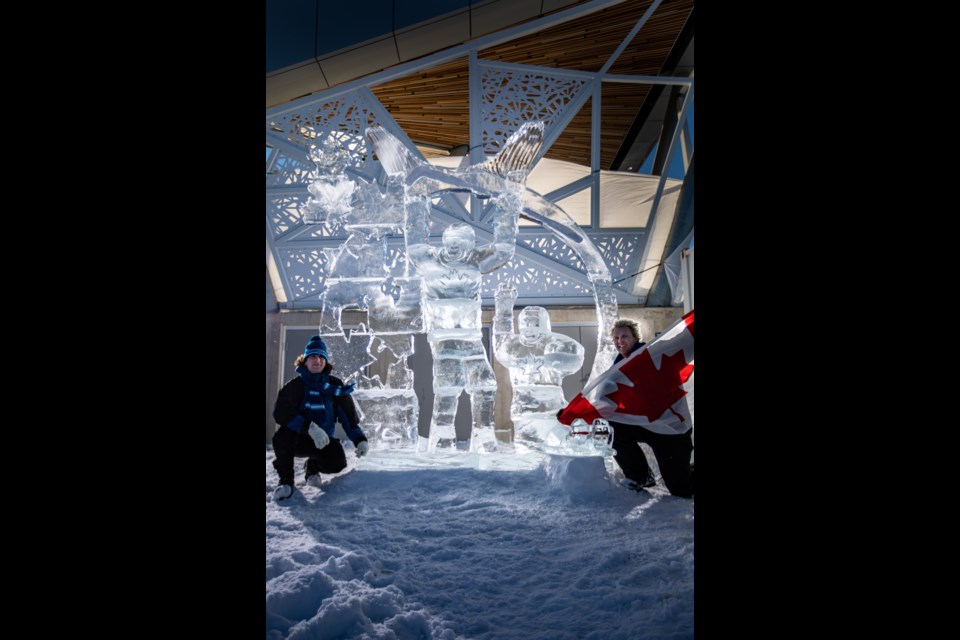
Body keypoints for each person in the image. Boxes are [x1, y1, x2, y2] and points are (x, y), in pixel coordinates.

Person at [271, 335, 369, 500]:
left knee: (338, 462)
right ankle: (286, 482)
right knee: (280, 437)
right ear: (305, 361)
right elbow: (281, 413)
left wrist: (360, 440)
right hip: (297, 440)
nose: (317, 360)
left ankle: (312, 467)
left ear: (325, 361)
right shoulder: (294, 386)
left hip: (323, 441)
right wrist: (309, 427)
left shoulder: (335, 387)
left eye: (320, 357)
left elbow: (349, 419)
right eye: (312, 357)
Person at [607, 318, 694, 498]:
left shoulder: (651, 355)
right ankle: (640, 476)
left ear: (635, 337)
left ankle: (687, 470)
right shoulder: (618, 365)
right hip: (645, 424)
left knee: (681, 490)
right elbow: (602, 395)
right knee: (612, 427)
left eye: (625, 336)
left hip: (670, 430)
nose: (620, 341)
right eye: (616, 338)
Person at [493, 282, 584, 446]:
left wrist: (560, 356)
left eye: (535, 324)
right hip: (524, 410)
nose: (529, 329)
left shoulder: (555, 342)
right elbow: (501, 340)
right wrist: (504, 308)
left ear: (544, 325)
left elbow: (576, 355)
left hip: (552, 409)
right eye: (525, 324)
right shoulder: (513, 345)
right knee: (527, 449)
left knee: (557, 444)